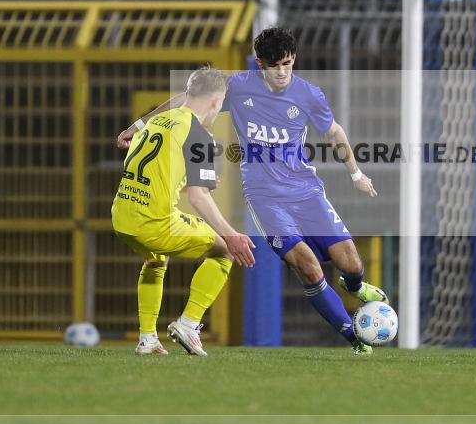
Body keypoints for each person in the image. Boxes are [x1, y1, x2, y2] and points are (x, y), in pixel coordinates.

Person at [118, 27, 387, 355]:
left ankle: (354, 285)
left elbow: (334, 132)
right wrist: (139, 124)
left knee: (351, 264)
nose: (282, 72)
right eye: (274, 65)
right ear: (260, 63)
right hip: (264, 197)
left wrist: (356, 173)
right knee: (309, 268)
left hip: (307, 191)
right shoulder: (240, 86)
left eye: (287, 63)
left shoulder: (308, 95)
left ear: (294, 59)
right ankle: (354, 337)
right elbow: (187, 101)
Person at [111, 66, 255, 357]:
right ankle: (189, 324)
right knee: (225, 249)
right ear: (216, 101)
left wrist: (134, 127)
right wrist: (232, 234)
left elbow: (156, 164)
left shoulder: (157, 121)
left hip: (121, 216)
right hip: (154, 223)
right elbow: (199, 197)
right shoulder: (200, 134)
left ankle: (147, 338)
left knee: (157, 260)